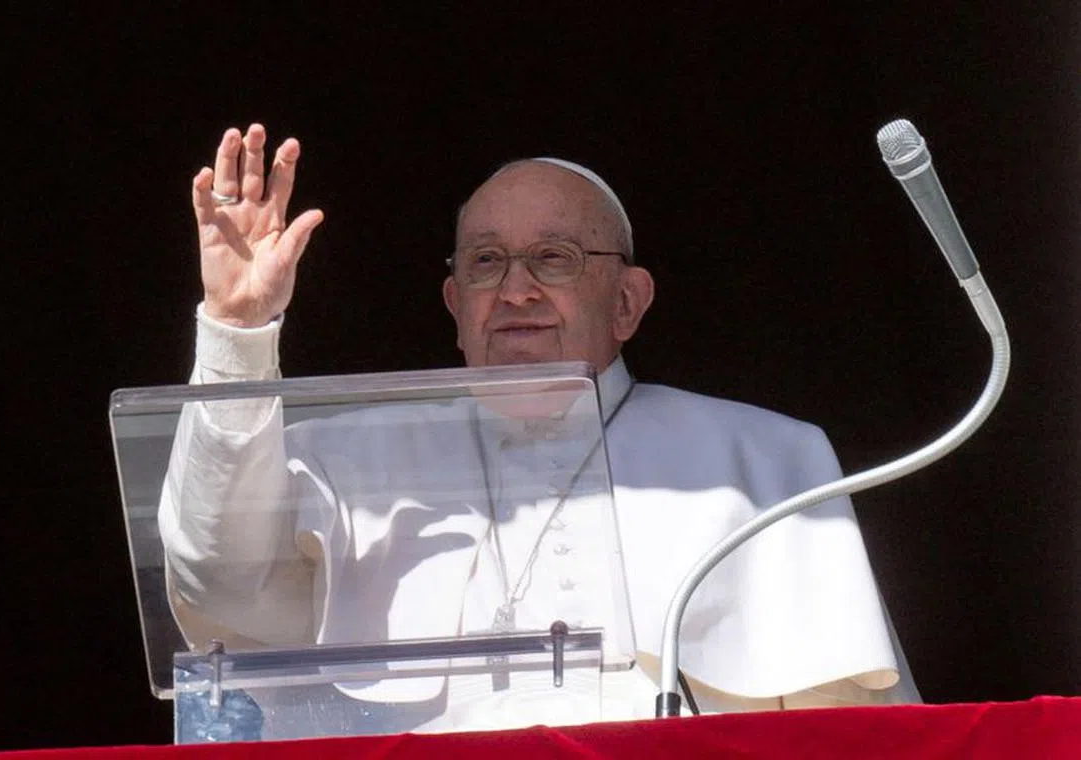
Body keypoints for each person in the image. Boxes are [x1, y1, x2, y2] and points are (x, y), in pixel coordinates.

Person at [159, 123, 919, 730]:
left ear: (627, 303)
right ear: (456, 307)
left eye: (554, 258)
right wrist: (237, 329)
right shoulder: (347, 455)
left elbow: (849, 730)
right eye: (486, 262)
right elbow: (219, 581)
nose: (515, 289)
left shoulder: (761, 459)